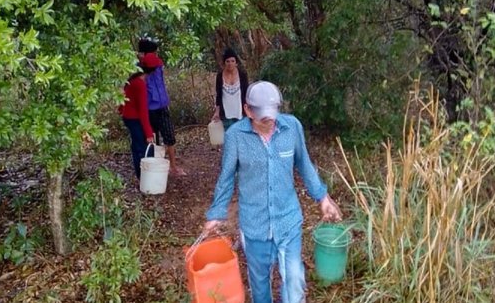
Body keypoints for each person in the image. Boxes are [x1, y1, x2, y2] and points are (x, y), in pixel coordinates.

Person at [204, 81, 342, 303]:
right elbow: (226, 178)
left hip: (287, 220)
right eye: (262, 116)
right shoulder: (236, 136)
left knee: (295, 281)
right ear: (247, 110)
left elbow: (304, 164)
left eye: (272, 113)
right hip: (254, 225)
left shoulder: (292, 127)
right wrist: (216, 213)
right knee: (259, 287)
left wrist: (323, 198)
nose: (269, 120)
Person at [138, 38, 186, 176]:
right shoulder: (139, 68)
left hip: (162, 105)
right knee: (150, 139)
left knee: (169, 137)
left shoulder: (158, 66)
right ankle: (152, 168)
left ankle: (173, 167)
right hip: (149, 108)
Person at [118, 65, 154, 181]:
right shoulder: (140, 84)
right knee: (143, 148)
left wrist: (120, 109)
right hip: (134, 118)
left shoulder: (132, 80)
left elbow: (124, 97)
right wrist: (149, 133)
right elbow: (143, 111)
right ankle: (144, 177)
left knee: (137, 145)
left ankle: (142, 176)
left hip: (128, 117)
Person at [211, 48, 249, 132]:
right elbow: (219, 95)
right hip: (226, 113)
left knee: (240, 136)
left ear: (236, 63)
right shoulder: (220, 76)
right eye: (227, 61)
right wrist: (217, 112)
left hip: (240, 112)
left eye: (232, 61)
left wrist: (248, 110)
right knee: (228, 136)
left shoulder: (242, 75)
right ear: (224, 63)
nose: (230, 64)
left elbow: (246, 94)